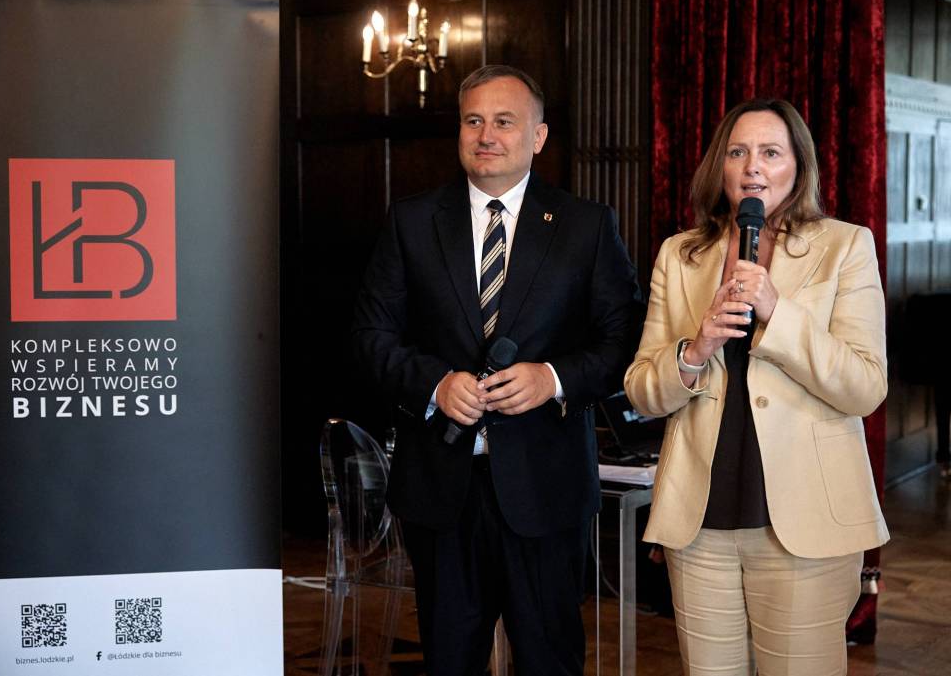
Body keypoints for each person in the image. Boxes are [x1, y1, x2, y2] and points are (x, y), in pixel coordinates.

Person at [352, 65, 642, 675]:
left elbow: (623, 341)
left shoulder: (587, 226)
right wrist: (434, 384)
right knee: (449, 661)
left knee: (549, 660)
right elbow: (372, 337)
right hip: (441, 490)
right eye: (473, 121)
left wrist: (552, 379)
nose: (486, 135)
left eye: (504, 122)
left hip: (546, 488)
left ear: (538, 136)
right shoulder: (411, 222)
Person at [624, 98, 889, 676]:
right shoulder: (681, 254)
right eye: (738, 152)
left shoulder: (845, 246)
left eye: (771, 152)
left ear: (798, 165)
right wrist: (694, 351)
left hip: (806, 522)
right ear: (719, 165)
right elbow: (642, 391)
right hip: (700, 524)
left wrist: (776, 311)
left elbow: (865, 386)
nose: (752, 168)